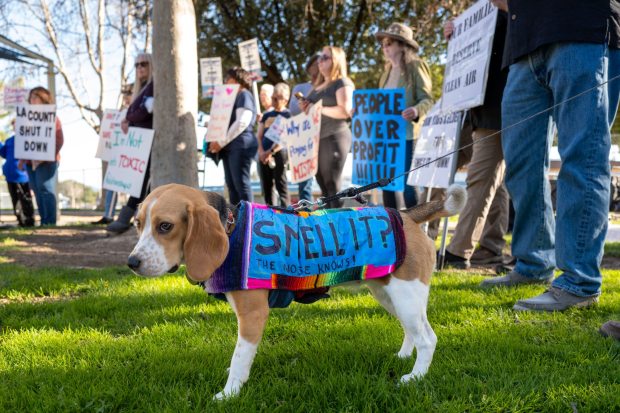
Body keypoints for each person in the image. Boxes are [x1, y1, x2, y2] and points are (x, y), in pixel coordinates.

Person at [480, 0, 620, 312]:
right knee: (520, 164)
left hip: (583, 29)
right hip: (523, 45)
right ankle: (532, 264)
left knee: (583, 158)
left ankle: (578, 282)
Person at [441, 8, 510, 269]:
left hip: (496, 104)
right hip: (477, 107)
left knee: (481, 177)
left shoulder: (505, 11)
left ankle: (459, 251)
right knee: (495, 180)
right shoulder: (482, 12)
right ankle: (491, 246)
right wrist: (457, 36)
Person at [375, 22, 434, 210]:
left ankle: (414, 230)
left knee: (409, 183)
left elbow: (427, 99)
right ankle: (392, 227)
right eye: (383, 43)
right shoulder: (385, 74)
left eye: (390, 42)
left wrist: (416, 111)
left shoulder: (417, 66)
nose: (385, 47)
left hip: (407, 134)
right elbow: (379, 103)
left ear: (402, 45)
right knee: (386, 184)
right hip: (386, 137)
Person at [300, 46, 355, 208]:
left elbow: (345, 111)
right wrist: (306, 108)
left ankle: (338, 227)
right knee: (323, 186)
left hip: (334, 136)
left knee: (332, 184)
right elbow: (312, 113)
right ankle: (330, 226)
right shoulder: (318, 86)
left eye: (325, 57)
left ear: (336, 60)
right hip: (318, 138)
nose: (320, 61)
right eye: (319, 58)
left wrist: (316, 108)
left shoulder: (342, 82)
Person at [106, 54, 154, 234]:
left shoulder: (153, 86)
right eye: (137, 65)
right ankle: (132, 217)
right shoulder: (141, 89)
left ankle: (126, 217)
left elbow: (145, 111)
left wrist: (128, 117)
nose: (140, 67)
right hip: (138, 143)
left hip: (147, 142)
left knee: (141, 183)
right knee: (138, 182)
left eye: (144, 64)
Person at [208, 67, 258, 204]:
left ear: (237, 80)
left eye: (227, 79)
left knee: (241, 184)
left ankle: (249, 219)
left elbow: (242, 121)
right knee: (232, 186)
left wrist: (221, 142)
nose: (225, 82)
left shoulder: (244, 95)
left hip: (241, 145)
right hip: (230, 147)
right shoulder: (233, 98)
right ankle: (237, 220)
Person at [20, 87, 63, 226]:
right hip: (30, 162)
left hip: (47, 161)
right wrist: (22, 159)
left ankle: (50, 221)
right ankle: (44, 220)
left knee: (45, 189)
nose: (32, 100)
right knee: (37, 190)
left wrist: (47, 155)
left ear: (43, 98)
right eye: (30, 97)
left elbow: (59, 139)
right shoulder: (26, 118)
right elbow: (24, 141)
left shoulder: (52, 118)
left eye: (35, 97)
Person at [94, 83, 133, 225]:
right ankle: (108, 215)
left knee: (132, 188)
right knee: (112, 185)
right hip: (118, 155)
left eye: (129, 95)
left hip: (132, 156)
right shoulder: (120, 113)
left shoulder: (134, 112)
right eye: (125, 96)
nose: (126, 99)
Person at [290, 54, 320, 202]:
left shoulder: (330, 87)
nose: (319, 66)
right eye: (316, 64)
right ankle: (306, 213)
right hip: (304, 140)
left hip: (323, 138)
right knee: (305, 183)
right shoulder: (300, 87)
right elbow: (293, 110)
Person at [257, 83, 291, 207]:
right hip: (264, 155)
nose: (274, 101)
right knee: (267, 186)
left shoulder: (288, 115)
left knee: (281, 184)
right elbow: (259, 135)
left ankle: (286, 213)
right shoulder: (267, 115)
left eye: (277, 98)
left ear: (285, 100)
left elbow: (285, 138)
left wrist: (270, 152)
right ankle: (270, 211)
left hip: (279, 153)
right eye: (273, 98)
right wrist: (261, 152)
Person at [0, 121, 35, 227]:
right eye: (14, 126)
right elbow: (4, 153)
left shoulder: (28, 139)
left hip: (23, 177)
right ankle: (20, 220)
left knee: (25, 199)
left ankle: (29, 221)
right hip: (10, 176)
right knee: (15, 200)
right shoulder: (9, 140)